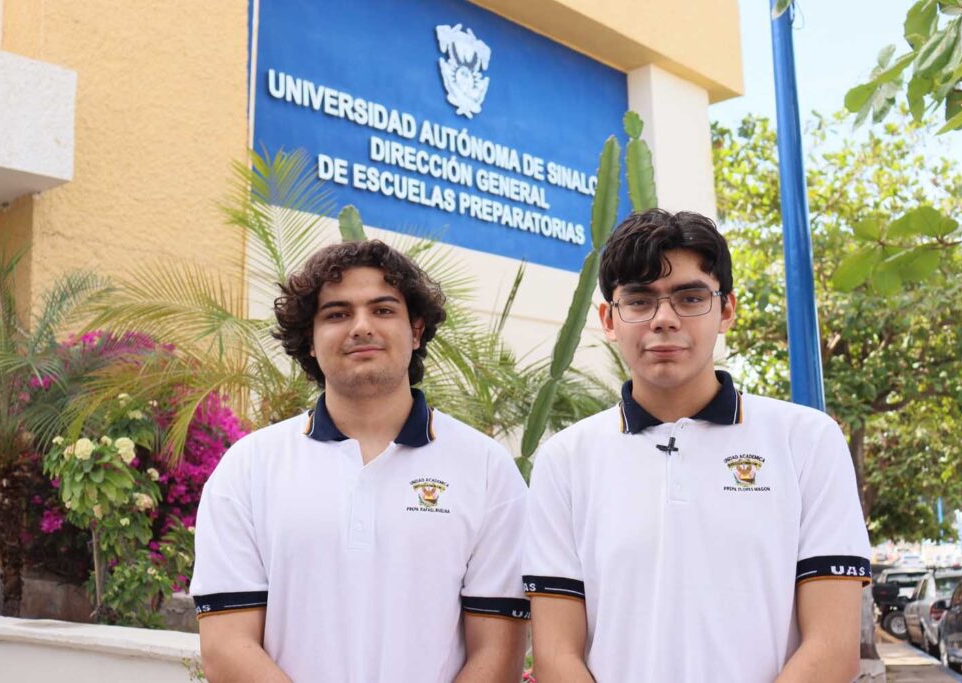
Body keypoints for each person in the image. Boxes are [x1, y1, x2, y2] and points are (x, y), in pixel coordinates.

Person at [523, 209, 871, 682]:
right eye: (639, 300)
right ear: (609, 318)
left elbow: (832, 649)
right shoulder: (564, 460)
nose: (664, 319)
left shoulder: (807, 441)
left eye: (690, 298)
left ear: (726, 310)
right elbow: (556, 655)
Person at [190, 239, 529, 682]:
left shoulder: (487, 469)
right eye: (337, 314)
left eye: (383, 310)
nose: (362, 327)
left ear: (416, 330)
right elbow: (226, 648)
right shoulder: (248, 468)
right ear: (310, 341)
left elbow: (498, 653)